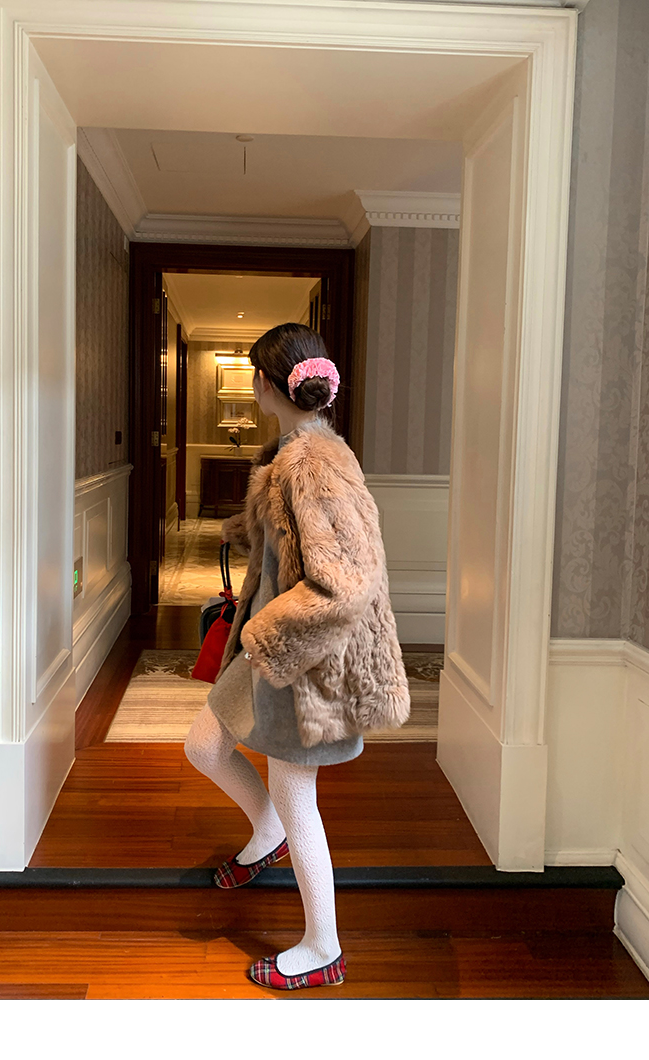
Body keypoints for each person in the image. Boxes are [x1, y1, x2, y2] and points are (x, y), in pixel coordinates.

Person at [184, 322, 410, 990]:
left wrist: (268, 639)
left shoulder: (314, 463)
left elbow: (345, 584)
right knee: (205, 746)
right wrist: (246, 531)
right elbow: (294, 539)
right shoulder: (290, 451)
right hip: (264, 650)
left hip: (299, 663)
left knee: (296, 797)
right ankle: (266, 835)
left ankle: (322, 948)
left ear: (263, 382)